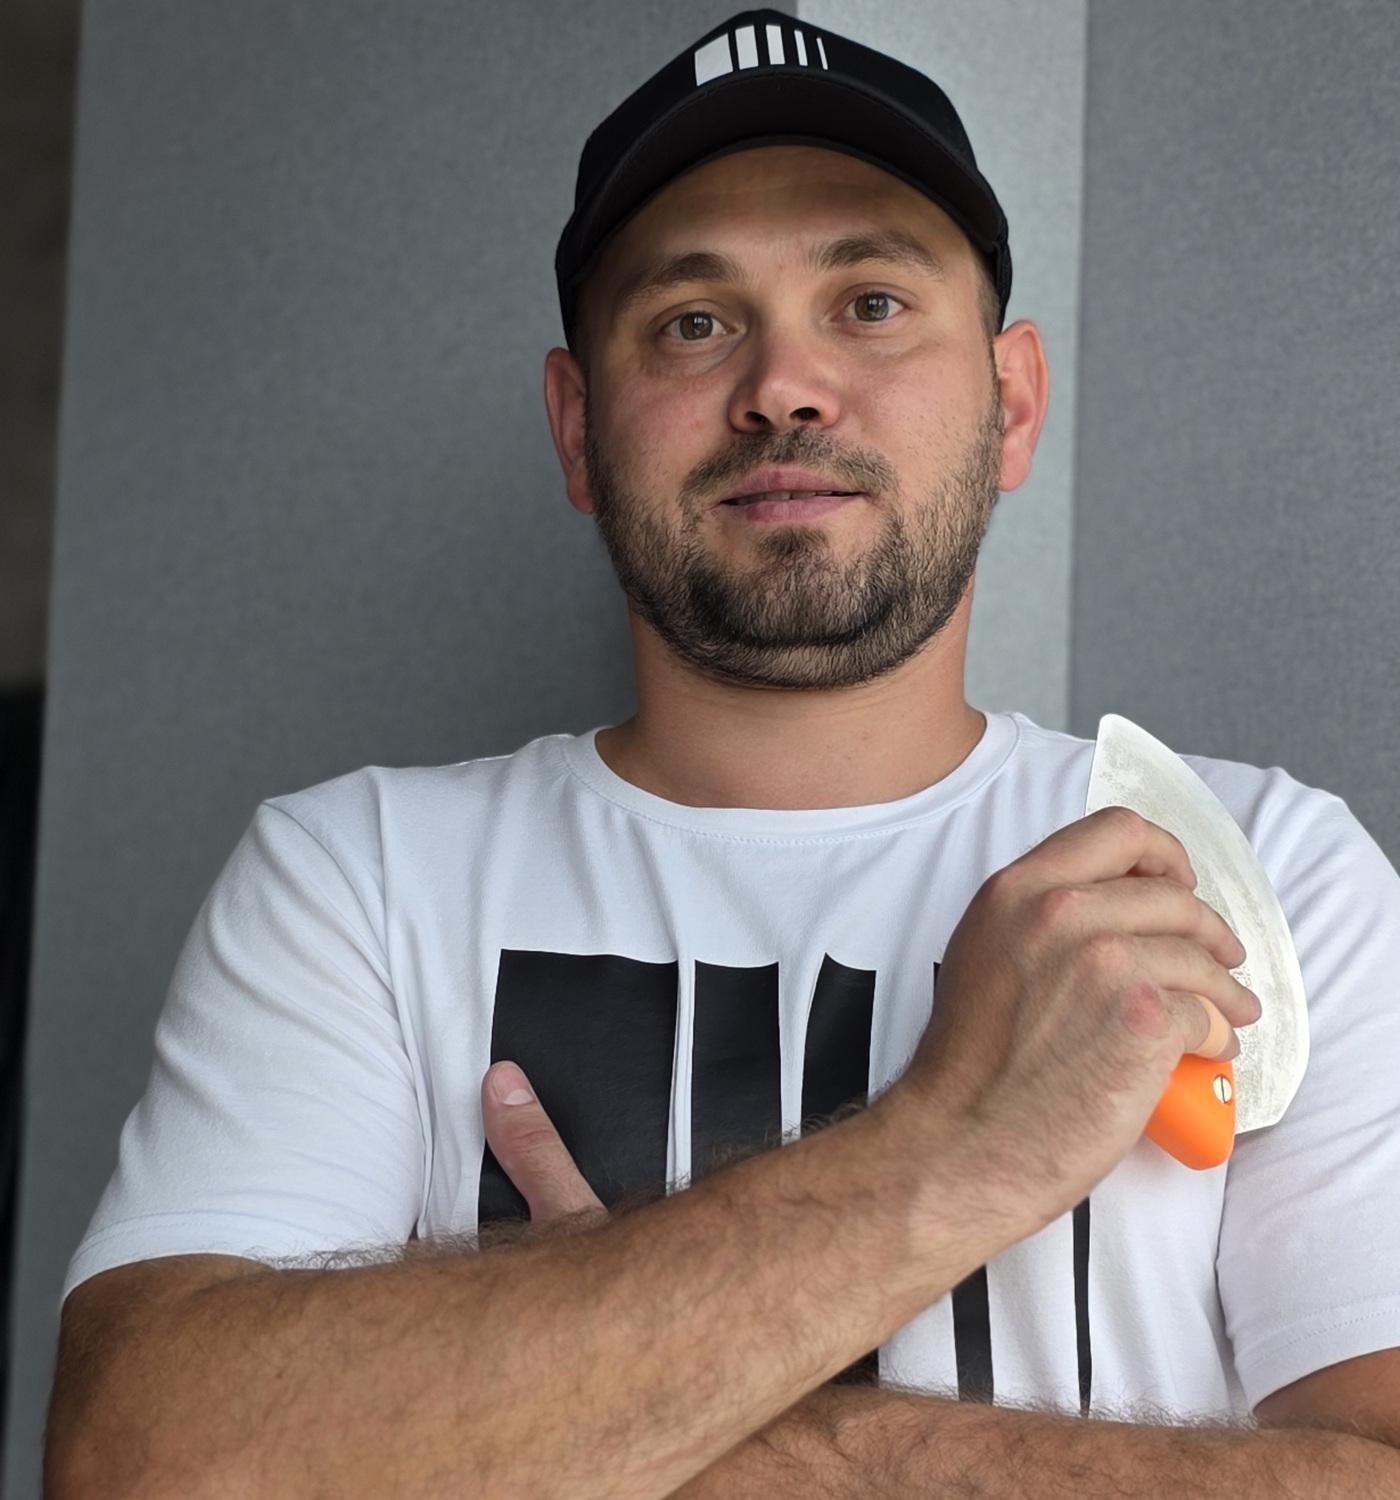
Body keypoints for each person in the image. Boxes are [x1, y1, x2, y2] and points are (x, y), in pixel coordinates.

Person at [46, 10, 1400, 1497]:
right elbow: (141, 1463)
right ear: (578, 431)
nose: (785, 386)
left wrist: (600, 1404)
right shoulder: (356, 879)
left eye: (871, 302)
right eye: (693, 322)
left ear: (1012, 404)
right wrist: (956, 1146)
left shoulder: (1251, 874)